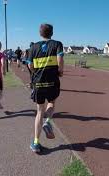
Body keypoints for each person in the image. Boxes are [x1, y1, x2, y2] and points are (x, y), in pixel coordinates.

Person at [27, 23, 64, 153]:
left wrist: (35, 74)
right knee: (52, 102)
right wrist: (60, 71)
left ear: (40, 33)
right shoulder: (57, 44)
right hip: (52, 81)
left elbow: (30, 66)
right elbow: (60, 60)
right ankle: (48, 121)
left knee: (39, 111)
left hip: (38, 82)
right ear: (52, 33)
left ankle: (36, 142)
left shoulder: (33, 47)